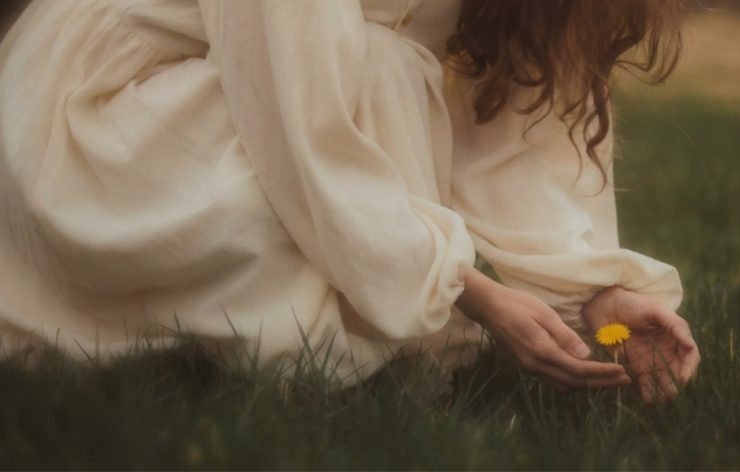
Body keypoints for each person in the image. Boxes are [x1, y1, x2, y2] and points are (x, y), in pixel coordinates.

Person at [0, 0, 700, 404]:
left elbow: (512, 132)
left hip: (290, 115)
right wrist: (470, 290)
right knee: (258, 241)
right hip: (117, 106)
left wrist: (592, 293)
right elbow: (295, 110)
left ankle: (350, 292)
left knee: (379, 75)